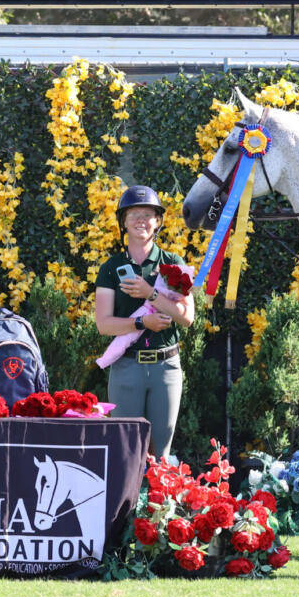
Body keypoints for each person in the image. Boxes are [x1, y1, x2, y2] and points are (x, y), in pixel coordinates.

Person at [93, 185, 195, 460]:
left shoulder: (172, 262)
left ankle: (160, 505)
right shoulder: (111, 268)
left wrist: (150, 294)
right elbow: (104, 324)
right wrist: (142, 323)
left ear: (158, 221)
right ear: (123, 222)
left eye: (148, 214)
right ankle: (128, 504)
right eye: (134, 213)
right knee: (126, 453)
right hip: (127, 367)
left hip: (166, 369)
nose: (141, 219)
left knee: (161, 454)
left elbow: (186, 318)